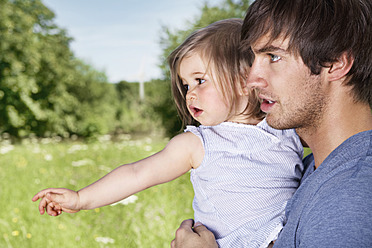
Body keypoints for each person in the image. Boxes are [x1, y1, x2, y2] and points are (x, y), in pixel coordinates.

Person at [32, 19, 304, 248]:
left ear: (245, 79)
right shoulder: (197, 144)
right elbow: (137, 174)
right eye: (186, 85)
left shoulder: (284, 126)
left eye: (200, 80)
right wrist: (81, 199)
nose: (190, 94)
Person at [171, 0, 372, 247]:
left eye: (273, 56)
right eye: (254, 58)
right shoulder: (317, 168)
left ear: (335, 63)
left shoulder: (351, 196)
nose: (252, 79)